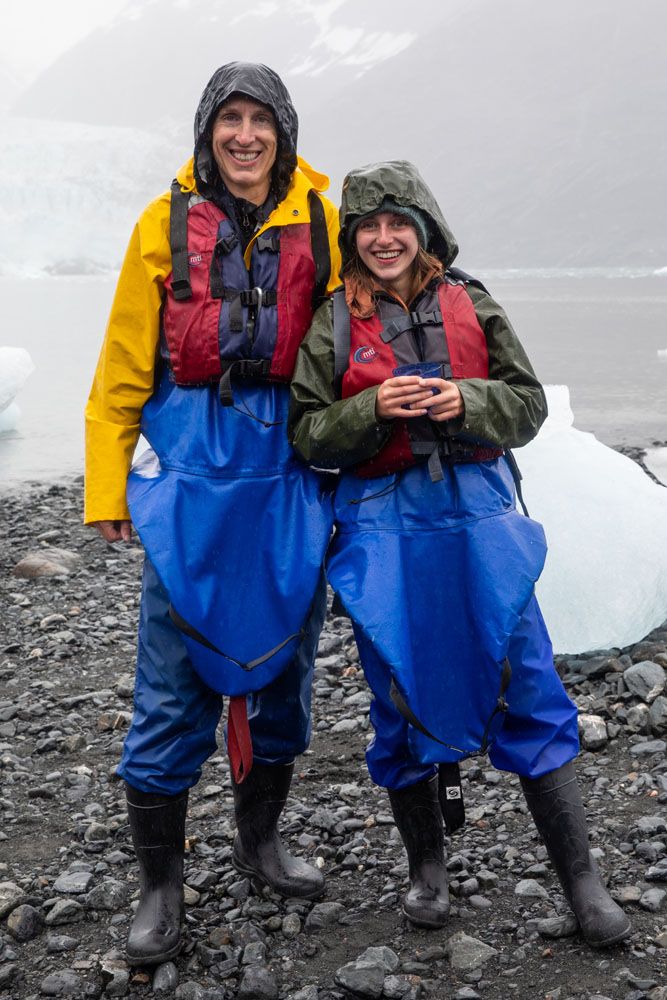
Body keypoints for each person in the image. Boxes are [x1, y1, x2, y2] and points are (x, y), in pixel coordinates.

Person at [289, 160, 631, 947]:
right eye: (368, 227)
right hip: (381, 524)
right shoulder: (333, 319)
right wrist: (370, 408)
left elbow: (527, 405)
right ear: (352, 238)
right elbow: (307, 430)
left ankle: (582, 884)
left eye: (396, 223)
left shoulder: (469, 302)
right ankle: (427, 869)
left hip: (477, 516)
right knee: (398, 688)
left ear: (424, 228)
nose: (383, 238)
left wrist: (466, 400)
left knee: (528, 680)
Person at [84, 63, 341, 966]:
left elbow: (362, 338)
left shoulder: (323, 219)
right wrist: (108, 488)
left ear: (283, 130)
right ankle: (161, 885)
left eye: (258, 120)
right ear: (208, 128)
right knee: (170, 677)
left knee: (286, 664)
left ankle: (260, 840)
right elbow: (123, 361)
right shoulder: (162, 223)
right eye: (228, 119)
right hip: (193, 464)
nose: (243, 136)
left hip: (286, 469)